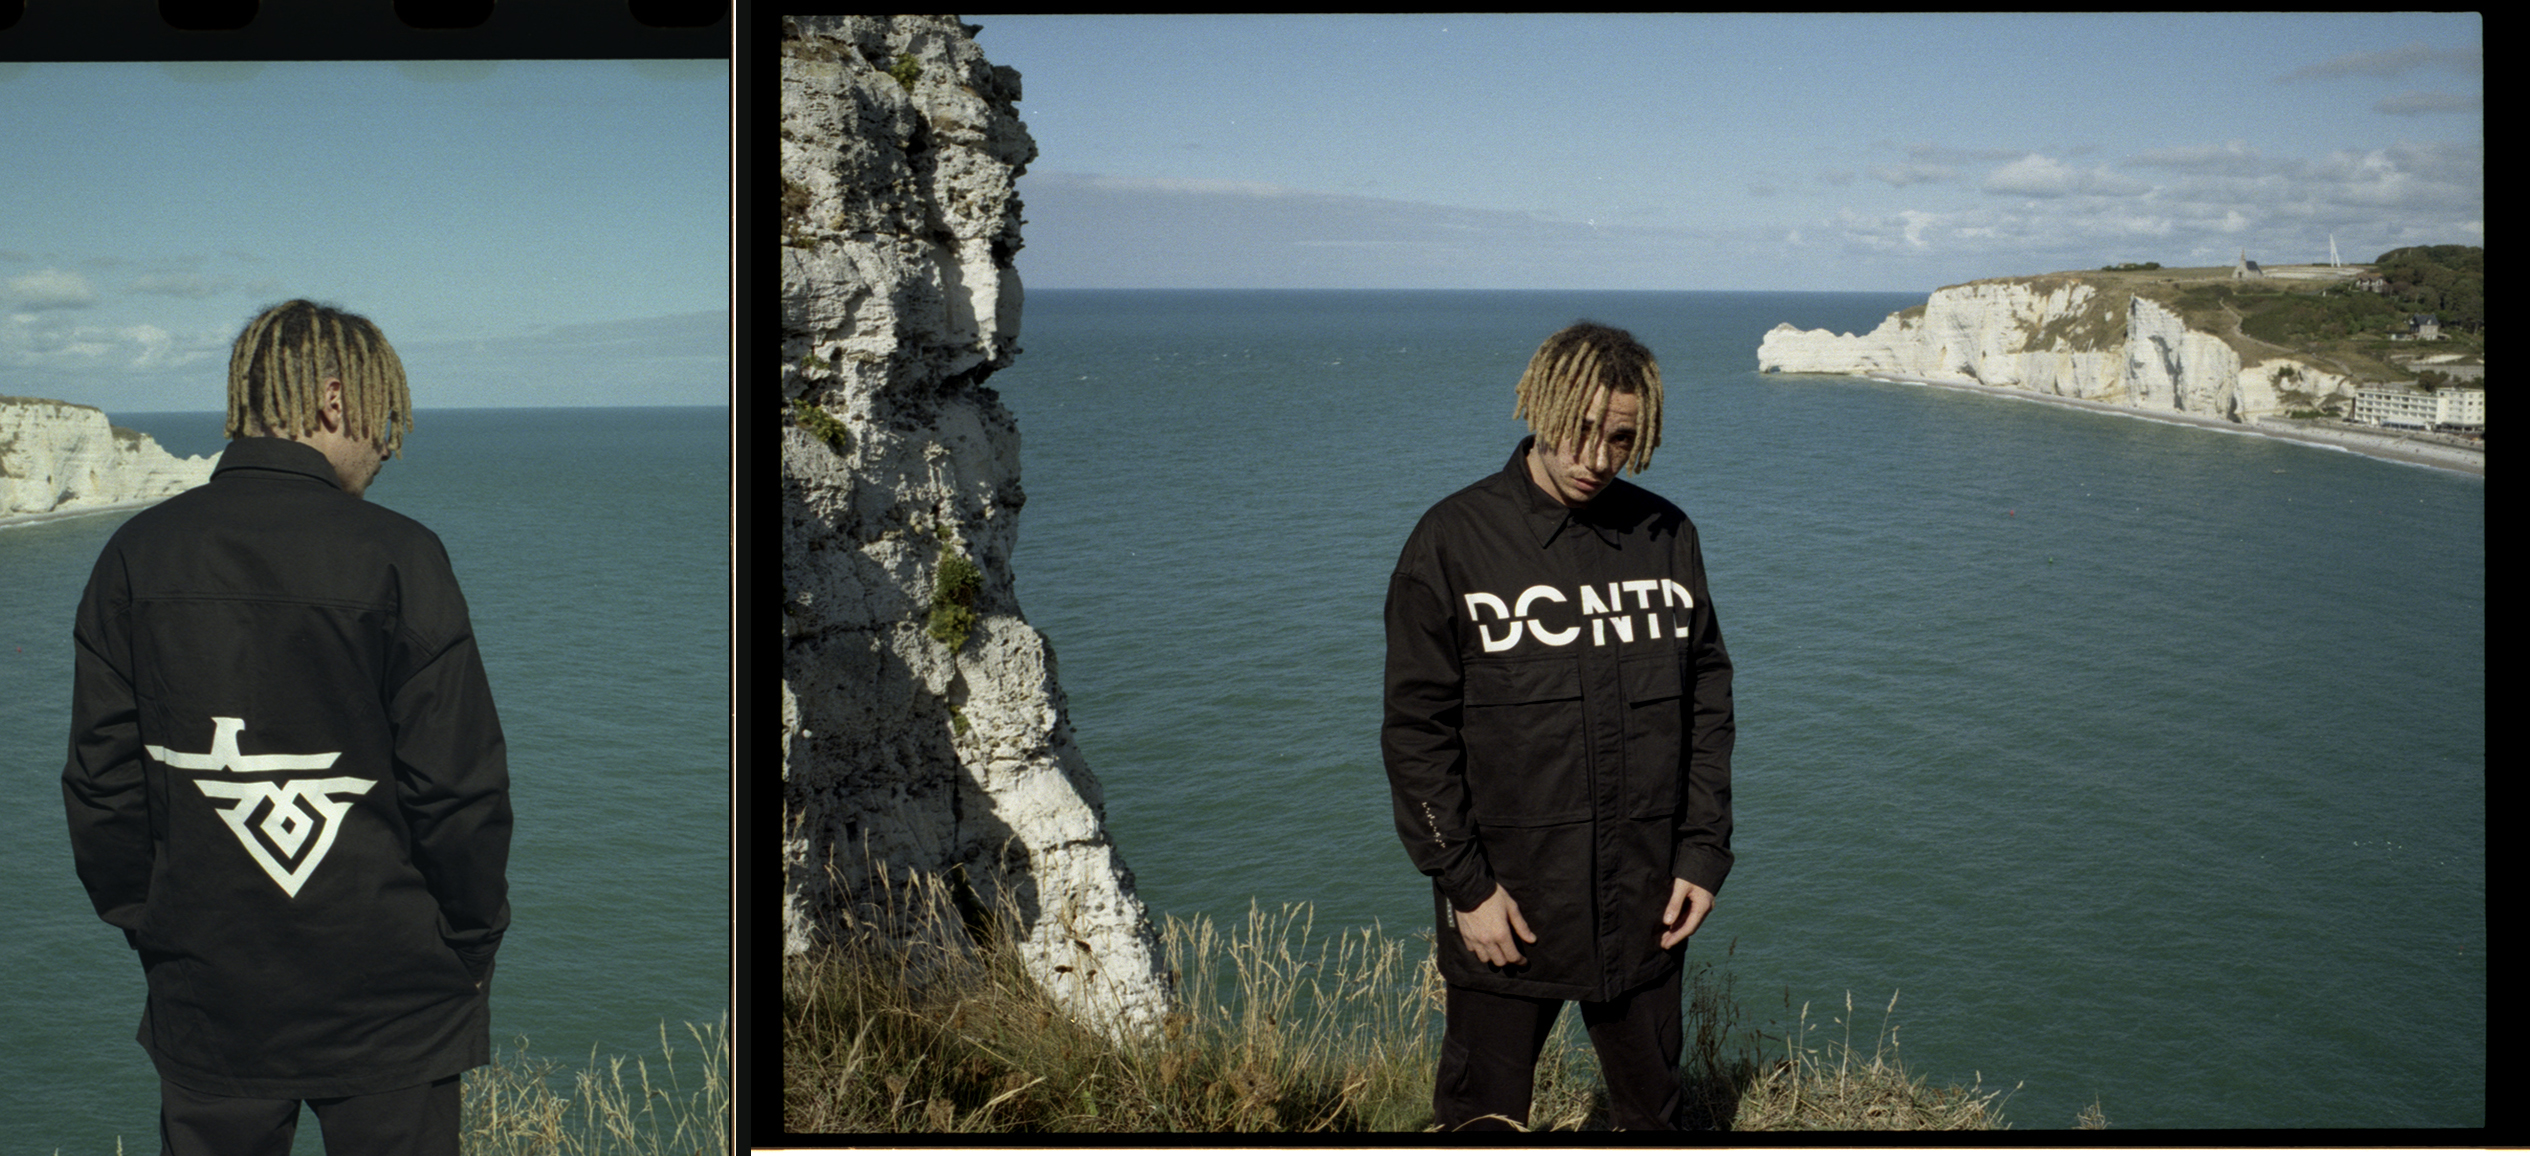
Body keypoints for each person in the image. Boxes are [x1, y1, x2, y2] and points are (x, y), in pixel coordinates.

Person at [62, 299, 512, 1155]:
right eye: (384, 418)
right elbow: (460, 790)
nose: (388, 447)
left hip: (210, 993)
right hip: (393, 996)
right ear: (334, 401)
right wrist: (468, 946)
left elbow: (101, 785)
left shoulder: (136, 555)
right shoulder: (399, 556)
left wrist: (156, 927)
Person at [1382, 321, 1734, 1131]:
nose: (1597, 458)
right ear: (1540, 407)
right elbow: (1415, 731)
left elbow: (1708, 703)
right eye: (1580, 429)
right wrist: (1466, 887)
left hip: (1647, 899)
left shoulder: (1666, 537)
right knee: (1482, 1124)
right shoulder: (1453, 541)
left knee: (1654, 1119)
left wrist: (1702, 852)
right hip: (1510, 907)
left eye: (1622, 438)